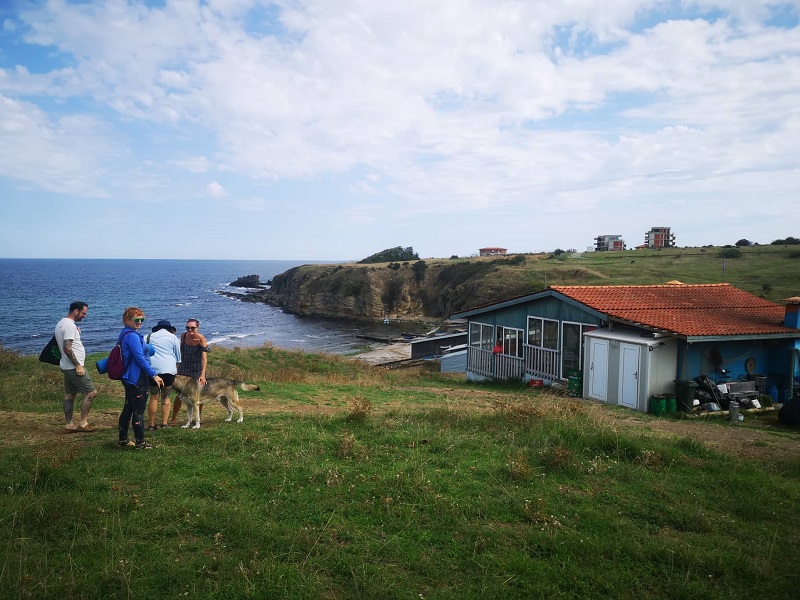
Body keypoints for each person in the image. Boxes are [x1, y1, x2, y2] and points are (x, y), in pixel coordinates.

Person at [117, 307, 163, 449]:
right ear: (127, 320)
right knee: (138, 411)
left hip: (129, 377)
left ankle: (123, 440)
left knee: (128, 409)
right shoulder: (132, 336)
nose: (140, 322)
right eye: (136, 319)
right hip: (137, 378)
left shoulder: (125, 333)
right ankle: (140, 443)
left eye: (142, 319)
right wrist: (153, 374)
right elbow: (140, 359)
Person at [54, 301, 98, 431]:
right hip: (73, 367)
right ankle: (83, 423)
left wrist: (75, 332)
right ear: (76, 311)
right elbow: (67, 348)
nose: (84, 316)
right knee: (91, 392)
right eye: (83, 313)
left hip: (66, 366)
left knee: (70, 395)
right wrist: (78, 365)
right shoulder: (69, 326)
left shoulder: (62, 323)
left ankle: (69, 424)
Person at [169, 318, 209, 426]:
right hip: (184, 367)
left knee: (198, 394)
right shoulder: (183, 336)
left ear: (197, 328)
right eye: (187, 327)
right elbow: (181, 351)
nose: (190, 329)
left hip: (197, 368)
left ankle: (197, 418)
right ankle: (174, 418)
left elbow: (204, 359)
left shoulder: (201, 339)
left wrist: (202, 374)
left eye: (192, 328)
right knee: (180, 394)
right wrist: (178, 366)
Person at [146, 319, 181, 430]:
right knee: (166, 397)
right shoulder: (173, 337)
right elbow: (178, 357)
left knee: (154, 397)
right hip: (168, 370)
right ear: (170, 329)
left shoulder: (148, 337)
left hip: (153, 370)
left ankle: (152, 424)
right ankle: (164, 423)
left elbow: (143, 352)